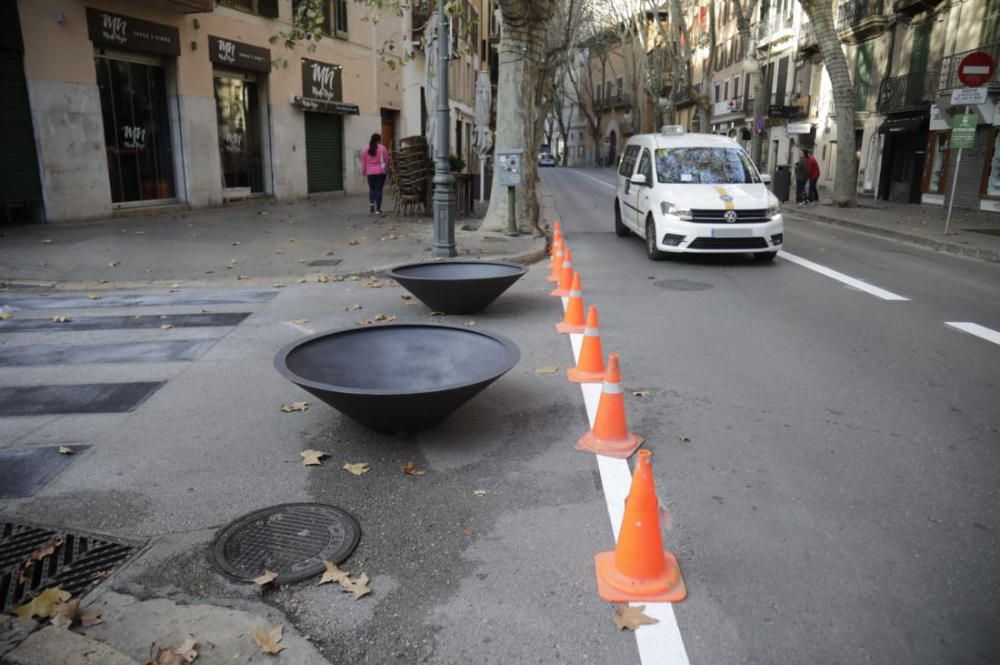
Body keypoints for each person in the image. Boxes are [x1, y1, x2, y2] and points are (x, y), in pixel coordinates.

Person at [361, 133, 390, 215]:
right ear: (378, 140)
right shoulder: (382, 148)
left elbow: (363, 163)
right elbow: (387, 160)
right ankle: (378, 209)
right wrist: (388, 170)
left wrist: (363, 173)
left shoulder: (365, 149)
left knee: (371, 189)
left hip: (370, 173)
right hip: (380, 172)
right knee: (378, 189)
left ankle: (371, 207)